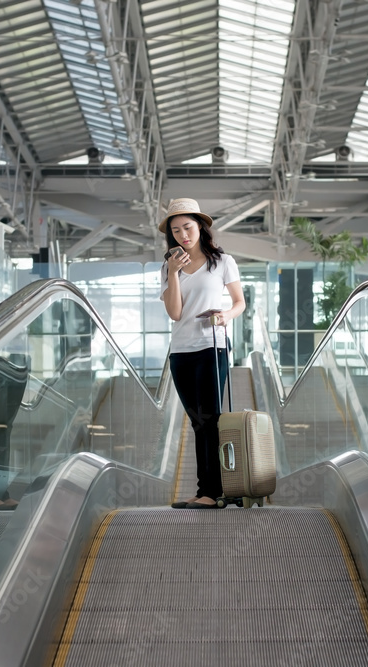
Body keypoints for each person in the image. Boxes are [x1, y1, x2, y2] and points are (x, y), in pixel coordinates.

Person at [160, 198, 245, 509]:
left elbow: (239, 302)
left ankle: (212, 491)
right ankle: (205, 491)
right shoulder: (169, 267)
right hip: (181, 351)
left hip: (212, 345)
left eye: (188, 227)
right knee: (197, 421)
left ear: (200, 227)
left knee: (210, 419)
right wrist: (172, 273)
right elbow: (175, 312)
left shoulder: (222, 261)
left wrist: (225, 315)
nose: (183, 235)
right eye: (176, 230)